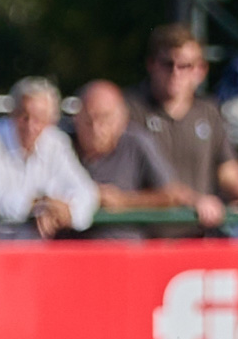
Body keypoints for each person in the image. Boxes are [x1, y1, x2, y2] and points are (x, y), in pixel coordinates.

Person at [127, 25, 238, 231]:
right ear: (151, 64)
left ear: (200, 70)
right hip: (145, 236)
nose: (176, 73)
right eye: (168, 64)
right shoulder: (130, 111)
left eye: (185, 66)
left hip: (199, 235)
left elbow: (228, 170)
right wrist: (194, 200)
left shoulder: (209, 112)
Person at [0, 77, 97, 283]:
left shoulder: (55, 142)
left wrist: (66, 211)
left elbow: (86, 192)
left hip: (29, 274)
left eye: (40, 118)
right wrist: (35, 205)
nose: (30, 125)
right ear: (12, 113)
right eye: (23, 116)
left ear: (51, 120)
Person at [73, 81, 185, 234]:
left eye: (104, 118)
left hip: (123, 247)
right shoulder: (62, 145)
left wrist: (124, 201)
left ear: (121, 119)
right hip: (70, 249)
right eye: (88, 120)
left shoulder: (136, 143)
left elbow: (172, 194)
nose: (96, 128)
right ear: (76, 118)